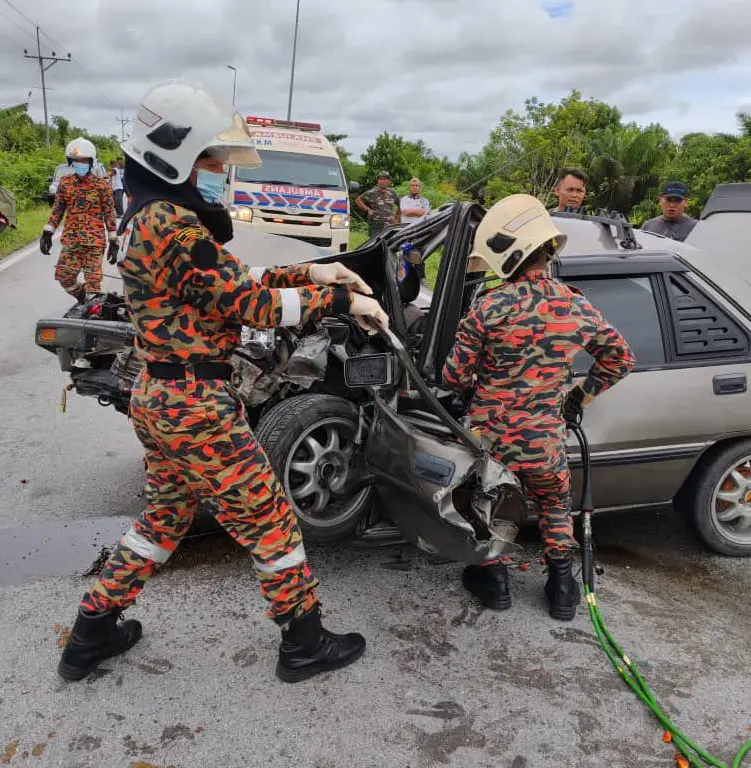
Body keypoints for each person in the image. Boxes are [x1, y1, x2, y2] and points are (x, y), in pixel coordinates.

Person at [56, 81, 390, 684]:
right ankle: (305, 642)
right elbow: (248, 303)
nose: (219, 173)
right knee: (272, 523)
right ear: (175, 154)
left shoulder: (153, 218)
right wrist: (340, 299)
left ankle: (91, 631)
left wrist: (315, 267)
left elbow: (231, 276)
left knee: (163, 519)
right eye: (211, 160)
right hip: (194, 405)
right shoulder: (175, 226)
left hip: (160, 396)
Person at [442, 194, 635, 621]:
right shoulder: (576, 305)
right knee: (553, 503)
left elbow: (453, 377)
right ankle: (563, 587)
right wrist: (576, 398)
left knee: (483, 502)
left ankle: (493, 580)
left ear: (507, 255)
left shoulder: (488, 306)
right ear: (547, 249)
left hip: (491, 442)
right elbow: (621, 358)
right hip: (545, 441)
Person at [39, 137, 118, 303]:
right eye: (76, 160)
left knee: (93, 284)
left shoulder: (102, 186)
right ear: (71, 162)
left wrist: (114, 241)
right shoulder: (65, 183)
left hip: (94, 242)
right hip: (72, 241)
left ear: (91, 162)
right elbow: (58, 210)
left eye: (84, 160)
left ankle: (92, 312)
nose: (80, 163)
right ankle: (83, 299)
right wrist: (47, 232)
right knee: (63, 277)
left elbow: (110, 214)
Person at [356, 170, 399, 237]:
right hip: (375, 225)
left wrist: (396, 218)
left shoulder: (393, 193)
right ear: (378, 181)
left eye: (385, 179)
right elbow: (358, 200)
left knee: (387, 244)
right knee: (374, 244)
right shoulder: (371, 192)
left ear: (388, 181)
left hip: (389, 225)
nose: (382, 181)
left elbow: (401, 205)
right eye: (380, 179)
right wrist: (367, 210)